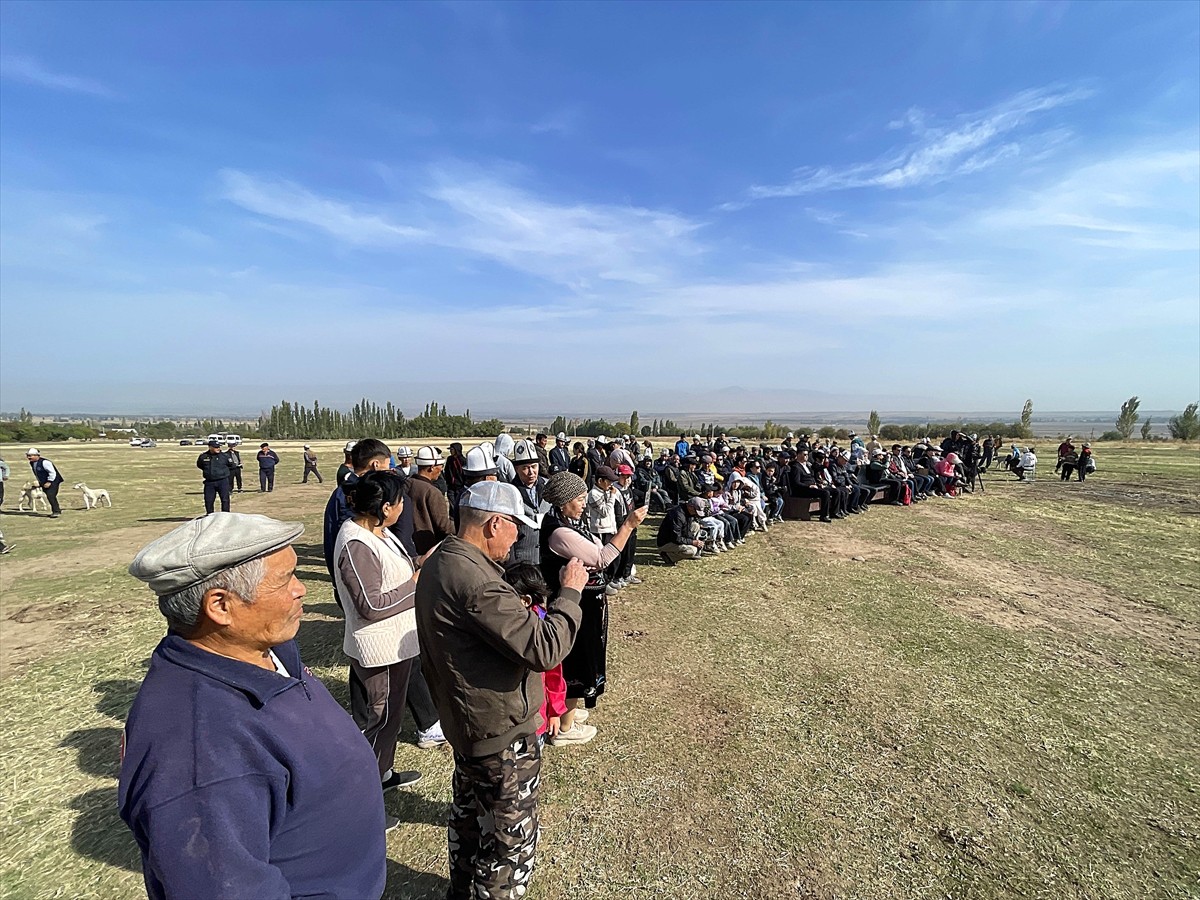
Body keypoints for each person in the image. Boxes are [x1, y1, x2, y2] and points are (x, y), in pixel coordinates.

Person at [120, 513, 388, 900]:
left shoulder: (262, 650)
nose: (301, 590)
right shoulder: (199, 752)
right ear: (221, 606)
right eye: (284, 580)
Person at [416, 481, 588, 900]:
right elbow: (545, 647)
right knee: (510, 840)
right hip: (499, 734)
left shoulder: (443, 560)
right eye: (516, 528)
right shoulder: (477, 581)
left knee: (472, 820)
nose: (518, 539)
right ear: (495, 523)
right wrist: (571, 591)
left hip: (469, 725)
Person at [334, 471, 423, 794]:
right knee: (379, 717)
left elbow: (394, 571)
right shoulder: (356, 543)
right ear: (385, 507)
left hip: (396, 645)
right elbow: (370, 604)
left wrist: (419, 562)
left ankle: (382, 774)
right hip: (378, 649)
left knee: (391, 718)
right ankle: (364, 791)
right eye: (400, 502)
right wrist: (414, 587)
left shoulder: (382, 533)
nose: (403, 507)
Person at [538, 472, 646, 737]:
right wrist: (628, 526)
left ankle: (568, 709)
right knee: (577, 660)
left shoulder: (570, 523)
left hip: (587, 602)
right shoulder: (561, 532)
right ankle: (565, 727)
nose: (584, 503)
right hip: (577, 604)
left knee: (585, 656)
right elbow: (602, 557)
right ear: (563, 503)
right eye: (579, 499)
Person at [510, 439, 550, 566]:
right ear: (516, 469)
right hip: (523, 559)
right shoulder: (510, 492)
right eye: (525, 468)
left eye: (534, 467)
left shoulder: (548, 486)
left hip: (547, 556)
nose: (531, 472)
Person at [409, 445, 454, 556]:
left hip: (409, 545)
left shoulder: (406, 484)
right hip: (428, 549)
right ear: (432, 467)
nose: (441, 469)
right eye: (440, 466)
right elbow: (443, 526)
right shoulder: (432, 492)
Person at [656, 497, 706, 563]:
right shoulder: (677, 515)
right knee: (692, 551)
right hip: (667, 542)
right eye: (695, 511)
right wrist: (692, 542)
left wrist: (695, 541)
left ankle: (692, 550)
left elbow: (686, 532)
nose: (696, 514)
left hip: (676, 539)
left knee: (696, 526)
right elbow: (676, 538)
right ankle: (668, 555)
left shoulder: (687, 512)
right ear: (690, 506)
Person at [197, 439, 233, 514]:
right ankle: (210, 516)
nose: (218, 448)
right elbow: (200, 465)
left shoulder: (224, 456)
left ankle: (225, 515)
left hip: (222, 481)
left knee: (225, 500)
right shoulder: (203, 456)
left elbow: (231, 465)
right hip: (209, 482)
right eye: (216, 447)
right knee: (208, 500)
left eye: (219, 447)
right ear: (210, 447)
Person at [25, 448, 63, 517]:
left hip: (53, 480)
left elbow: (52, 472)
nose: (28, 457)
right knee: (50, 495)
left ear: (37, 455)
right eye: (28, 455)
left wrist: (49, 481)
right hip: (44, 482)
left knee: (51, 495)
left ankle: (56, 511)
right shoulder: (32, 463)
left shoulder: (45, 462)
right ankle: (56, 510)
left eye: (30, 456)